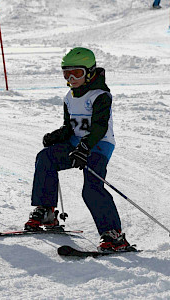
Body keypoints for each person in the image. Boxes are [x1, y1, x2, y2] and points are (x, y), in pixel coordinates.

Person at [24, 47, 133, 252]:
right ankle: (46, 211)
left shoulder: (101, 96)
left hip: (99, 146)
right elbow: (70, 127)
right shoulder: (69, 96)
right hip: (77, 145)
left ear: (90, 72)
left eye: (77, 73)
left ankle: (113, 235)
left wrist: (84, 148)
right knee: (46, 158)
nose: (71, 78)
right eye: (67, 73)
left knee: (91, 188)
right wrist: (57, 136)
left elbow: (99, 128)